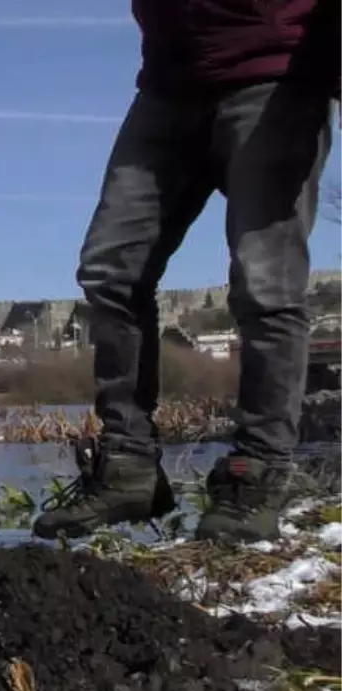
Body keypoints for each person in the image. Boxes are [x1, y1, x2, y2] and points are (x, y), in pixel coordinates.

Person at [33, 1, 340, 544]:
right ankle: (129, 467)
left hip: (278, 77)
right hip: (169, 87)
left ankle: (257, 476)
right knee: (110, 272)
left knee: (265, 285)